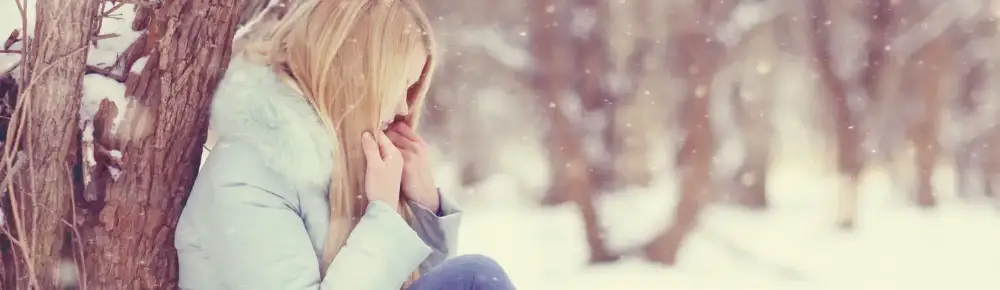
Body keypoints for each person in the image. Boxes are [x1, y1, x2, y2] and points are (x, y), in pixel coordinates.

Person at [174, 0, 515, 289]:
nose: (402, 109)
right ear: (357, 76)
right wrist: (383, 218)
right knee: (475, 278)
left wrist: (423, 208)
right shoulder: (245, 174)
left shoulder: (343, 162)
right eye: (399, 86)